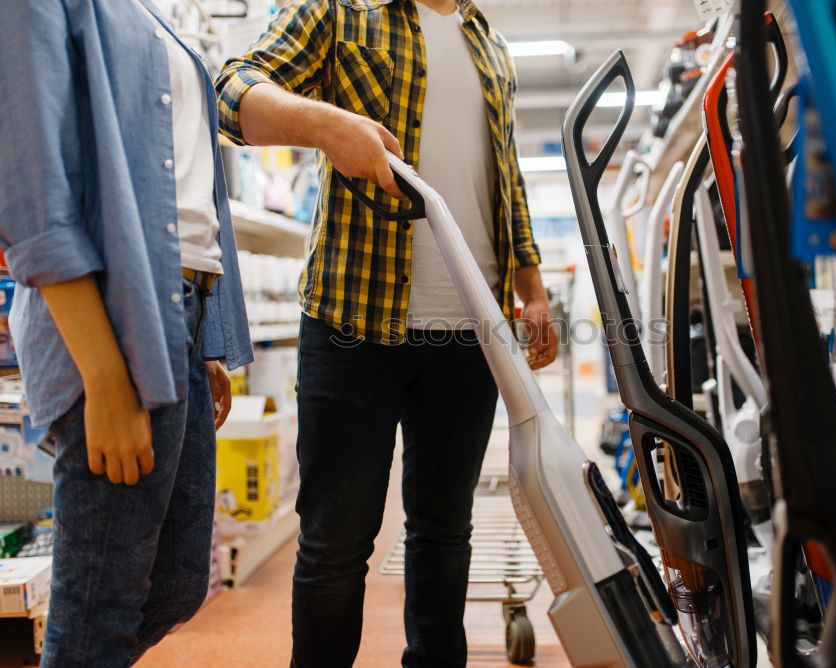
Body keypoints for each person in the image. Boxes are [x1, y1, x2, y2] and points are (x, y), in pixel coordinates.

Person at [215, 0, 557, 664]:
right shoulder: (341, 10)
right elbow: (230, 92)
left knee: (442, 533)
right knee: (334, 541)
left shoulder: (488, 42)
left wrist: (532, 289)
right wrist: (325, 123)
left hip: (469, 332)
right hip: (353, 323)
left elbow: (506, 175)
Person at [0, 2, 253, 665]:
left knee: (173, 587)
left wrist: (201, 335)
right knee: (98, 610)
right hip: (115, 319)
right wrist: (105, 376)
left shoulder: (147, 9)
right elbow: (31, 189)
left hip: (179, 319)